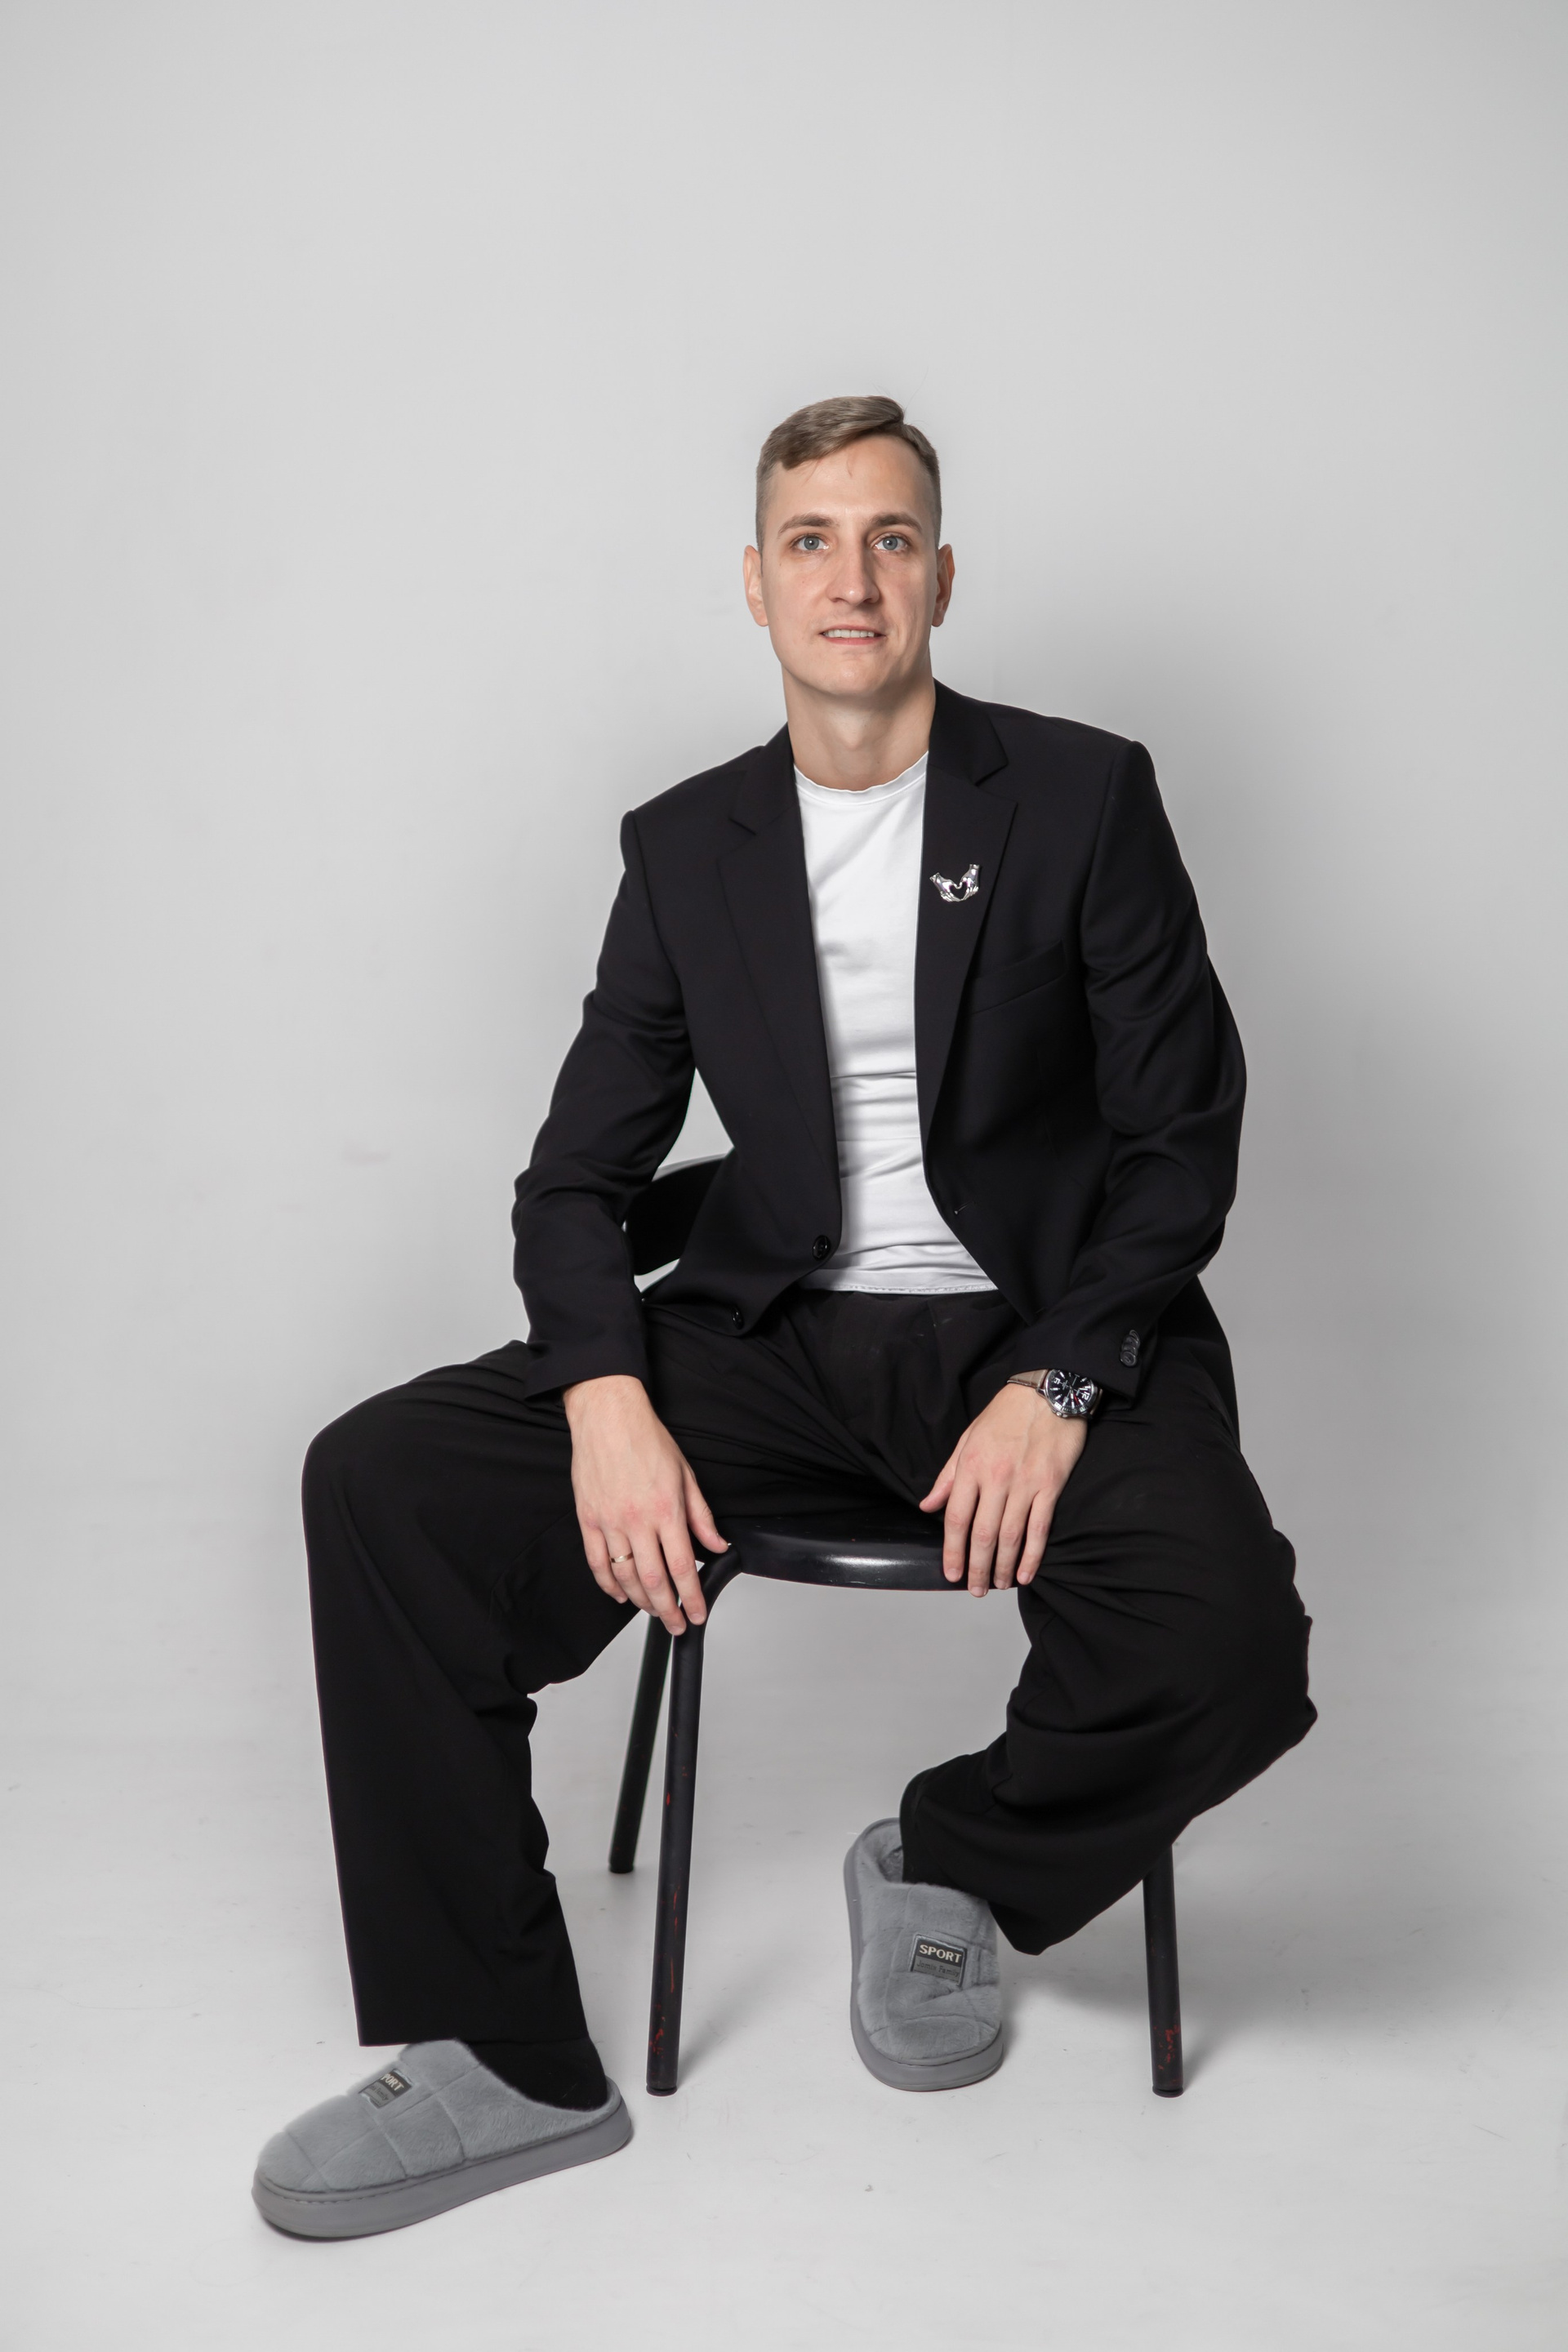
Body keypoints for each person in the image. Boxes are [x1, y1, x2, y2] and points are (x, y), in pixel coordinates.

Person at [252, 395, 1315, 2239]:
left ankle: (946, 1855)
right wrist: (605, 1395)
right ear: (755, 584)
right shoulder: (689, 848)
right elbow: (573, 1182)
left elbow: (1181, 1141)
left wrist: (1064, 1380)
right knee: (380, 1482)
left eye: (891, 539)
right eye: (812, 541)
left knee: (1233, 1641)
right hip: (777, 1340)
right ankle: (507, 2058)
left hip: (1034, 1331)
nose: (853, 579)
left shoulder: (1081, 797)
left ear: (943, 577)